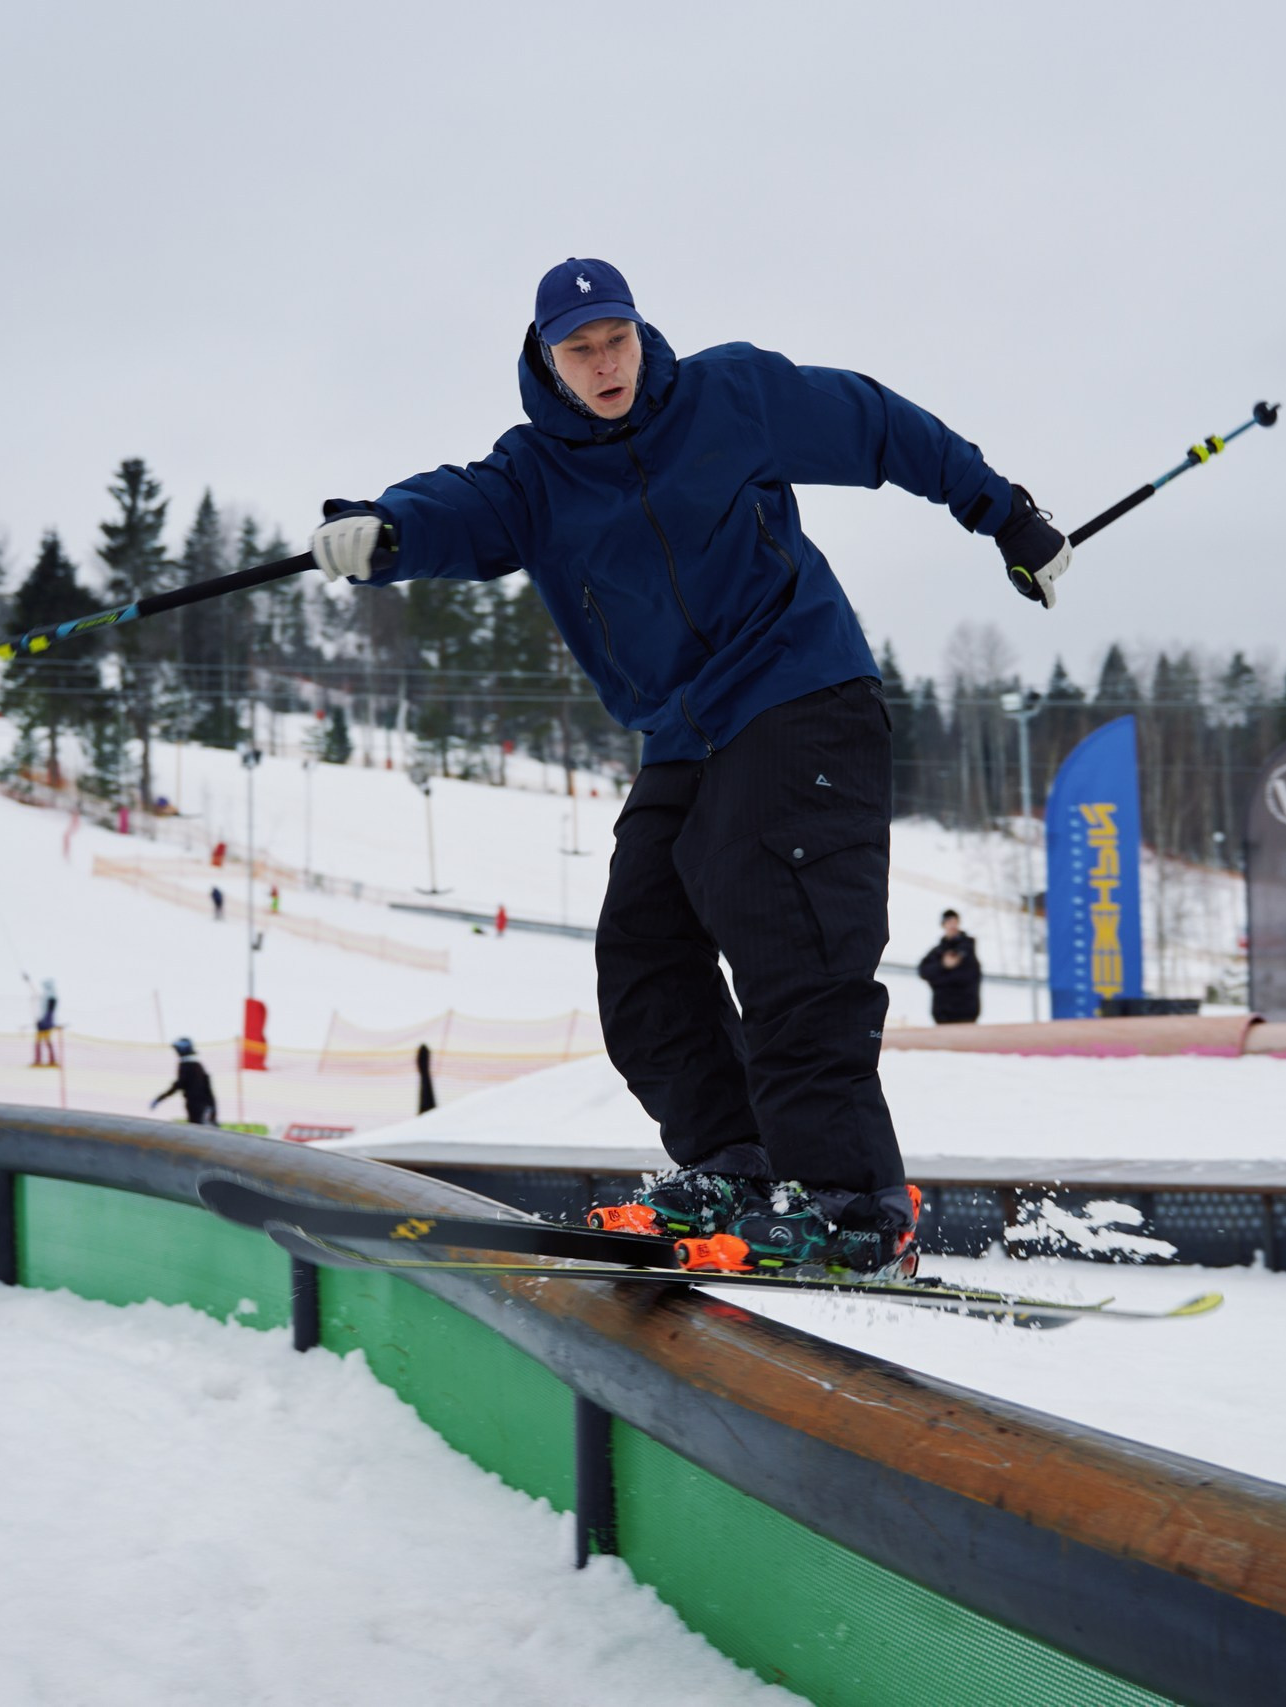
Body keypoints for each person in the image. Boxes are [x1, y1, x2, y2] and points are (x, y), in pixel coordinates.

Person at [304, 258, 1073, 1278]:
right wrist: (387, 530)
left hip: (798, 694)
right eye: (579, 349)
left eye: (615, 338)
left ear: (640, 332)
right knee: (642, 952)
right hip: (683, 733)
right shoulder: (534, 474)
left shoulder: (732, 397)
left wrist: (1002, 513)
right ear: (546, 359)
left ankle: (850, 1202)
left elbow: (879, 425)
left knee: (787, 934)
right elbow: (455, 510)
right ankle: (737, 1167)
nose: (604, 363)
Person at [917, 910, 983, 1025]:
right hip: (942, 1014)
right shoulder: (938, 951)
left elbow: (966, 976)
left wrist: (938, 979)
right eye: (949, 922)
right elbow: (923, 971)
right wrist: (943, 966)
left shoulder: (967, 948)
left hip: (965, 1014)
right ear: (943, 925)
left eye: (955, 922)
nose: (952, 926)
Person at [152, 1038, 218, 1125]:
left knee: (200, 1130)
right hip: (200, 1104)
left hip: (198, 1105)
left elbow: (179, 1084)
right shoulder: (195, 1065)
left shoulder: (187, 1065)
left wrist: (160, 1098)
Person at [32, 977, 60, 1067]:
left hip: (45, 1022)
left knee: (41, 1042)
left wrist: (42, 1021)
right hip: (46, 1021)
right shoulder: (51, 995)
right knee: (44, 1041)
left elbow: (47, 1011)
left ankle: (40, 1060)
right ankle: (48, 1060)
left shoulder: (49, 996)